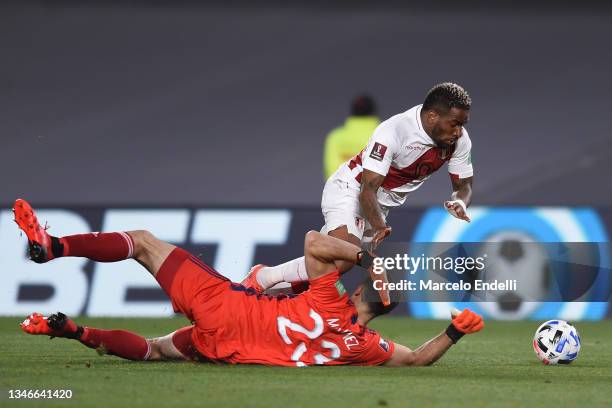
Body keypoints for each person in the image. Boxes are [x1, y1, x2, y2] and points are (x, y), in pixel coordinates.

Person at [15, 198, 483, 367]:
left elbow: (314, 242)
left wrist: (366, 256)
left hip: (228, 308)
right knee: (155, 350)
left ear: (363, 291)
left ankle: (53, 248)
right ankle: (73, 332)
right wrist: (454, 332)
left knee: (142, 242)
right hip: (228, 350)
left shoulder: (329, 297)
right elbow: (417, 360)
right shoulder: (366, 348)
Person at [245, 82, 474, 292]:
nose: (458, 132)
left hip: (377, 207)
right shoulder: (394, 131)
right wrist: (380, 226)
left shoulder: (459, 141)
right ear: (432, 116)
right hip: (350, 190)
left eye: (462, 124)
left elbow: (463, 185)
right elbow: (367, 189)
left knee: (328, 267)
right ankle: (263, 277)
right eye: (454, 124)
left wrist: (460, 201)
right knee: (344, 257)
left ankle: (266, 293)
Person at [323, 94, 380, 179]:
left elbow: (331, 169)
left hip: (341, 189)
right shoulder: (381, 135)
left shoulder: (335, 137)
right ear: (373, 111)